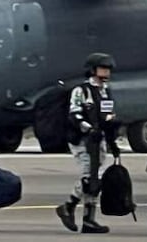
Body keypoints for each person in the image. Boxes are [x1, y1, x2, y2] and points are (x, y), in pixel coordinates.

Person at [55, 52, 120, 234]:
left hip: (99, 140)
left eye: (108, 69)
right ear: (92, 70)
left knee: (96, 180)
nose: (106, 72)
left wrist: (112, 138)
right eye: (102, 68)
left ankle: (88, 220)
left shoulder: (106, 91)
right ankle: (68, 206)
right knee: (88, 178)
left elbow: (108, 116)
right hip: (82, 140)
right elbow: (74, 115)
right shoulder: (81, 91)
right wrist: (88, 129)